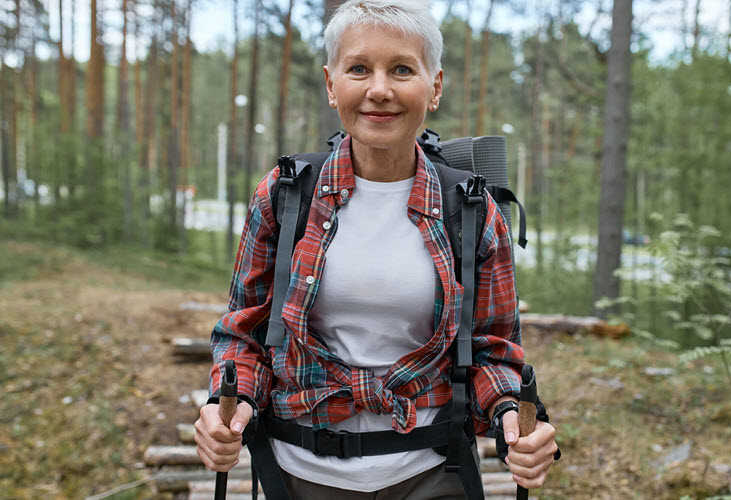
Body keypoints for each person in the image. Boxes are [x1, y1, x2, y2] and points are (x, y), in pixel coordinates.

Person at [194, 1, 559, 497]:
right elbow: (245, 331)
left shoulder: (471, 208)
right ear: (330, 84)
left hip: (432, 473)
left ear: (435, 87)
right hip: (297, 474)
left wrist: (512, 418)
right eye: (359, 69)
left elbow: (493, 349)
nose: (380, 90)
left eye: (403, 69)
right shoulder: (285, 194)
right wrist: (226, 404)